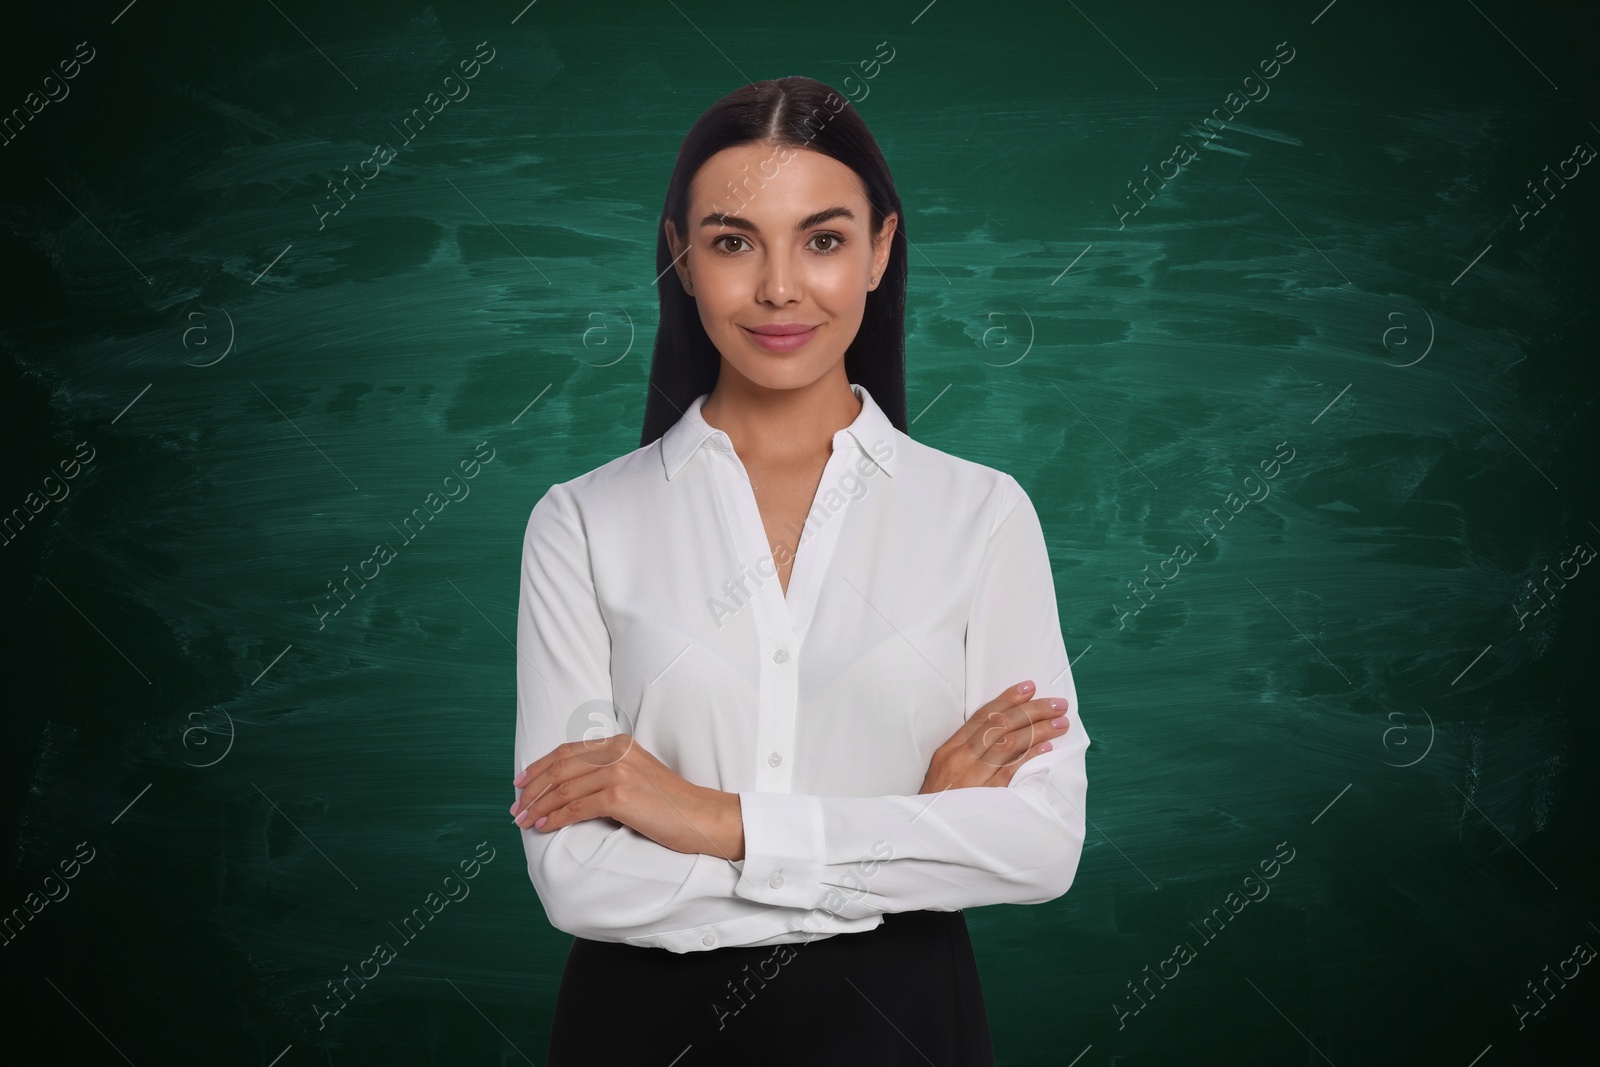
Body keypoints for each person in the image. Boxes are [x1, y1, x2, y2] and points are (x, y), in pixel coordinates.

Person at [510, 75, 1090, 1066]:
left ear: (879, 250)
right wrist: (918, 832)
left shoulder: (981, 516)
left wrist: (705, 818)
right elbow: (578, 878)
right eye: (734, 241)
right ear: (681, 258)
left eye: (822, 239)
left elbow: (1038, 846)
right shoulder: (581, 521)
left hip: (899, 1026)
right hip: (638, 1028)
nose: (779, 285)